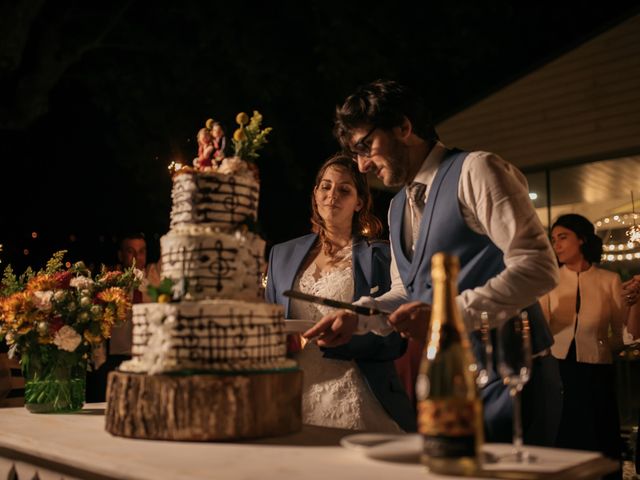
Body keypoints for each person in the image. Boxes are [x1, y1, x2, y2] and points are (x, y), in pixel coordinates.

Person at [305, 79, 562, 445]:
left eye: (366, 147)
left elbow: (538, 266)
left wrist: (446, 318)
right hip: (447, 385)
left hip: (512, 377)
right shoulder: (396, 209)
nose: (361, 166)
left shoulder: (477, 170)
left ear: (404, 128)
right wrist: (358, 316)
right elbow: (407, 292)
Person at [265, 153, 415, 432]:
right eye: (326, 186)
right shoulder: (281, 255)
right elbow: (270, 325)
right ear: (315, 193)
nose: (332, 194)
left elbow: (395, 341)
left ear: (359, 202)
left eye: (344, 189)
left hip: (356, 389)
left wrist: (344, 338)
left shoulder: (379, 257)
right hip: (292, 391)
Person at [540, 214, 625, 476]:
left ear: (582, 239)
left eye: (563, 237)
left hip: (597, 369)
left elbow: (621, 332)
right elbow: (541, 331)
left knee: (601, 434)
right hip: (558, 369)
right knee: (564, 434)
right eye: (554, 240)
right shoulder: (550, 280)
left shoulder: (609, 279)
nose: (557, 245)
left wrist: (604, 347)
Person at [85, 233, 160, 402]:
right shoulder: (110, 282)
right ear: (121, 255)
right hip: (113, 360)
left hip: (147, 358)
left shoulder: (154, 279)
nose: (137, 257)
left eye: (141, 251)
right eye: (130, 251)